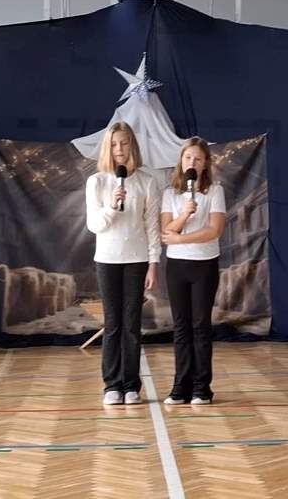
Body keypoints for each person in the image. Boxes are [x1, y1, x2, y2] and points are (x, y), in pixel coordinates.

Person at [86, 121, 161, 405]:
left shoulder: (146, 182)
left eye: (124, 142)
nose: (119, 148)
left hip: (137, 260)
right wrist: (111, 205)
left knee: (131, 324)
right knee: (113, 324)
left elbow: (152, 226)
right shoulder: (97, 182)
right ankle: (111, 385)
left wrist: (154, 263)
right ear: (108, 147)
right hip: (107, 260)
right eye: (114, 143)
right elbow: (95, 225)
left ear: (132, 145)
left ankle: (131, 386)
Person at [161, 137, 226, 405]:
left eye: (198, 159)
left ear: (205, 163)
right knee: (181, 327)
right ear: (181, 161)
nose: (192, 163)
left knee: (200, 326)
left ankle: (202, 388)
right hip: (177, 265)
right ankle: (180, 386)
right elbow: (166, 231)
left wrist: (181, 238)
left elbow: (214, 230)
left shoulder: (215, 191)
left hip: (204, 264)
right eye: (188, 158)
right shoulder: (170, 194)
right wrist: (185, 215)